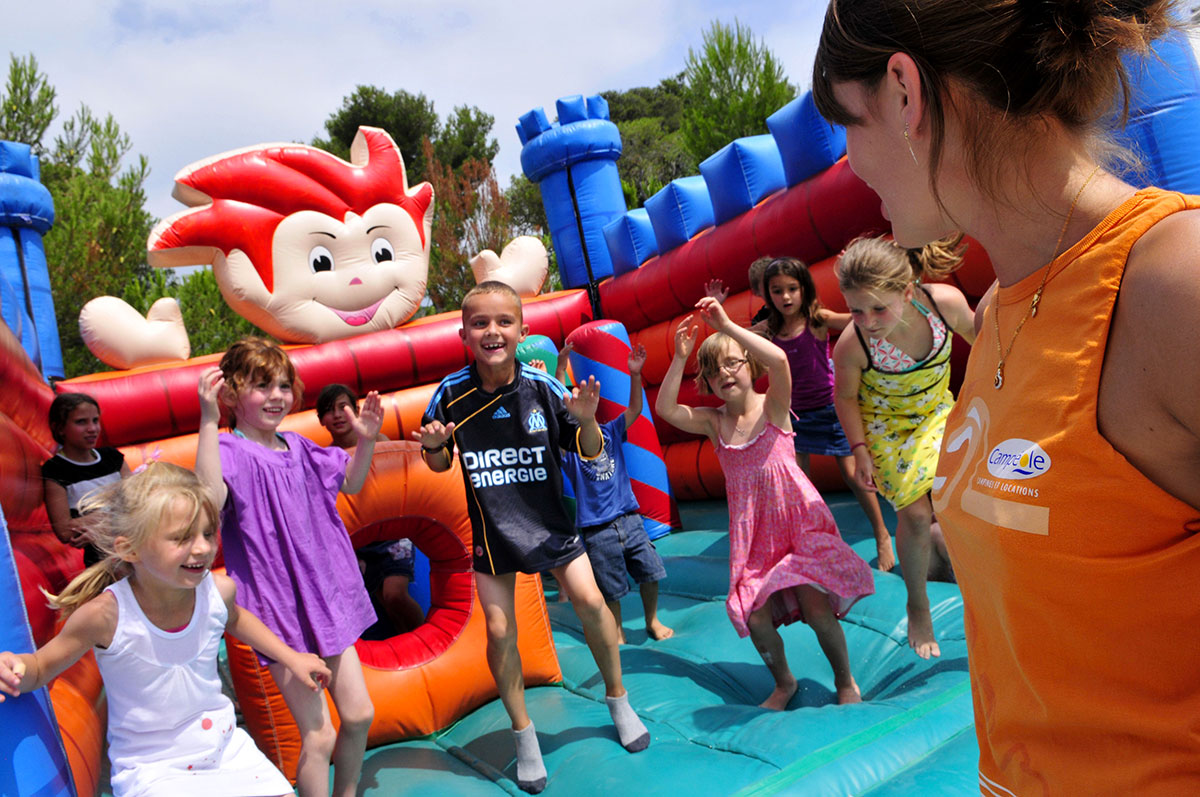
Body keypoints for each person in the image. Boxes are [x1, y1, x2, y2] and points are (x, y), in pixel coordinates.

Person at [813, 2, 1200, 790]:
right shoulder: (995, 315)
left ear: (902, 93)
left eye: (846, 125)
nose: (849, 163)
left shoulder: (1170, 286)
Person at [414, 281, 649, 794]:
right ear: (463, 335)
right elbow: (437, 464)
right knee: (500, 632)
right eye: (480, 323)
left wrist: (587, 421)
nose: (492, 331)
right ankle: (524, 736)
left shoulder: (546, 388)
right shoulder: (450, 394)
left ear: (522, 332)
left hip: (550, 525)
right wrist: (434, 448)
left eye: (503, 322)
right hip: (494, 533)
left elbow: (587, 452)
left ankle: (618, 698)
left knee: (590, 602)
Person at [0, 462, 331, 796]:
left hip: (224, 747)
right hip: (152, 766)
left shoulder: (217, 591)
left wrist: (292, 658)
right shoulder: (106, 616)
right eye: (182, 538)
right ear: (129, 549)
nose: (202, 548)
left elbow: (236, 619)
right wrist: (16, 667)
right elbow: (42, 667)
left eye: (206, 533)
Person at [655, 296, 875, 709]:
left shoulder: (774, 406)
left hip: (797, 528)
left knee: (816, 610)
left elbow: (779, 362)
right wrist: (680, 357)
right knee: (755, 618)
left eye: (732, 363)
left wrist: (726, 326)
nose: (724, 373)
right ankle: (784, 682)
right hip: (755, 538)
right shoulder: (715, 422)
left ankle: (846, 682)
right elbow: (666, 409)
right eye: (713, 370)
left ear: (748, 364)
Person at [196, 339, 381, 797]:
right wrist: (206, 418)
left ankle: (348, 792)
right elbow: (209, 498)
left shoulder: (299, 446)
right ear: (232, 394)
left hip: (326, 600)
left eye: (283, 385)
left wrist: (368, 438)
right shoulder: (228, 450)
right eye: (262, 386)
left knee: (359, 715)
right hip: (278, 610)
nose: (277, 395)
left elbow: (353, 482)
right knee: (321, 734)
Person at [831, 235, 974, 660]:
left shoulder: (943, 303)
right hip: (886, 426)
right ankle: (918, 604)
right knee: (914, 514)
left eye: (878, 308)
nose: (868, 320)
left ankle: (977, 573)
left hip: (936, 410)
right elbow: (845, 397)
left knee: (972, 495)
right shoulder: (853, 345)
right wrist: (858, 450)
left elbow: (983, 337)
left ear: (908, 291)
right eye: (856, 309)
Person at [759, 256, 895, 571]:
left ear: (804, 289)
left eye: (792, 289)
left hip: (828, 409)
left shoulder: (817, 320)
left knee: (852, 475)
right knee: (798, 481)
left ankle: (881, 533)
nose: (786, 297)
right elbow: (736, 341)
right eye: (777, 291)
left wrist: (879, 310)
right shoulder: (767, 330)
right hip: (792, 415)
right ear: (768, 295)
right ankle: (809, 542)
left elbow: (857, 321)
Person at [558, 342, 673, 643]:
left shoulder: (610, 431)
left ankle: (653, 619)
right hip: (597, 530)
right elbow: (558, 412)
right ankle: (618, 630)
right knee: (610, 588)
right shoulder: (569, 451)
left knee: (650, 571)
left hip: (629, 518)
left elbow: (635, 409)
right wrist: (559, 372)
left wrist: (634, 374)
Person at [317, 383, 424, 636]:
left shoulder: (380, 441)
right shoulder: (326, 457)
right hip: (360, 542)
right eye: (330, 411)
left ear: (356, 410)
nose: (338, 415)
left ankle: (427, 637)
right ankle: (408, 651)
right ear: (321, 419)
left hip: (392, 534)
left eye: (344, 407)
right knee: (384, 604)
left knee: (394, 595)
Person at [42, 392, 131, 567]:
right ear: (59, 428)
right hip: (100, 562)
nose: (92, 428)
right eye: (81, 422)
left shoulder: (112, 458)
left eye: (95, 420)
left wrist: (99, 527)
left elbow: (138, 504)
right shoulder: (56, 470)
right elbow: (65, 530)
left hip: (132, 547)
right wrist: (118, 512)